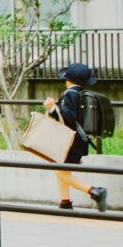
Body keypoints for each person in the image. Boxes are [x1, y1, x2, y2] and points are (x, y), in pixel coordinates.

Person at [44, 63, 108, 212]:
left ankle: (95, 191)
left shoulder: (70, 94)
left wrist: (52, 109)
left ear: (68, 80)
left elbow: (69, 117)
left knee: (61, 171)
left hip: (70, 142)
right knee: (61, 170)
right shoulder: (81, 94)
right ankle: (65, 202)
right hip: (78, 141)